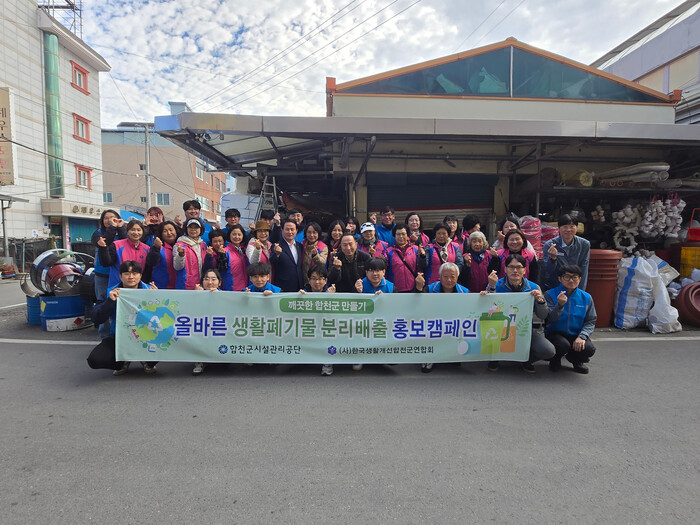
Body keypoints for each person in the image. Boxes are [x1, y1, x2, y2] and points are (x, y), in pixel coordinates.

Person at [483, 254, 555, 373]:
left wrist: (540, 301)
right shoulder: (496, 284)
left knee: (548, 350)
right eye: (511, 267)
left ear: (524, 270)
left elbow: (543, 315)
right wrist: (490, 287)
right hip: (499, 330)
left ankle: (526, 359)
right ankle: (494, 358)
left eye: (519, 267)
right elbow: (488, 309)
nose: (515, 270)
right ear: (505, 269)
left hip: (525, 330)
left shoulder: (533, 287)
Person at [87, 260, 158, 375]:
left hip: (145, 335)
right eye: (127, 273)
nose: (131, 277)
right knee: (95, 359)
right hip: (118, 336)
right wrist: (109, 302)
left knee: (167, 343)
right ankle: (121, 362)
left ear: (140, 276)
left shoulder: (150, 290)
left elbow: (161, 319)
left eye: (134, 273)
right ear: (120, 276)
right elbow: (96, 318)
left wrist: (157, 298)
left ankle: (147, 361)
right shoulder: (111, 292)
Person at [544, 264, 597, 374]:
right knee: (562, 345)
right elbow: (550, 318)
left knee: (588, 348)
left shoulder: (586, 297)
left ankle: (575, 359)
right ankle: (555, 359)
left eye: (575, 277)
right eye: (567, 277)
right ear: (560, 278)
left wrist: (582, 336)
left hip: (576, 334)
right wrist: (559, 305)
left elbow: (591, 320)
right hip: (555, 334)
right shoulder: (550, 294)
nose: (571, 280)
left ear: (580, 279)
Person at [416, 262, 466, 373]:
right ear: (440, 277)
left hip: (453, 325)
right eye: (445, 276)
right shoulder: (430, 289)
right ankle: (429, 357)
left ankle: (453, 354)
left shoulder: (465, 292)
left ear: (457, 277)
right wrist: (419, 288)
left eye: (452, 277)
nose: (449, 280)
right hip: (433, 324)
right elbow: (417, 304)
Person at [91, 209, 125, 339]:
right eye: (106, 218)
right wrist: (113, 228)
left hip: (118, 274)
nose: (109, 220)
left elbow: (125, 241)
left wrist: (120, 228)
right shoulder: (98, 234)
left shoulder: (121, 231)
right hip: (103, 275)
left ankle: (119, 336)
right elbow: (106, 242)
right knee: (103, 304)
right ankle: (104, 337)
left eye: (112, 217)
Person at [299, 265, 337, 377]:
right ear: (309, 280)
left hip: (325, 326)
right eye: (314, 278)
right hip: (308, 326)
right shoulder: (303, 292)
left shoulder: (330, 292)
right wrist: (298, 297)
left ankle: (327, 364)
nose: (317, 282)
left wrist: (331, 297)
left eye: (320, 279)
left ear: (325, 280)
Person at [543, 214, 591, 291]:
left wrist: (580, 291)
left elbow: (584, 268)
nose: (568, 230)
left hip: (575, 285)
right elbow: (548, 271)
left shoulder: (584, 244)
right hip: (555, 286)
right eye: (565, 227)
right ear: (559, 228)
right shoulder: (549, 245)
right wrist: (552, 258)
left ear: (577, 228)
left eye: (572, 226)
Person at [97, 219, 149, 289]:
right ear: (127, 231)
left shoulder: (147, 249)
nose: (136, 232)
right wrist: (103, 248)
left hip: (138, 288)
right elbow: (106, 263)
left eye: (139, 230)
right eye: (133, 230)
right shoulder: (116, 245)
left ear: (143, 232)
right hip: (117, 287)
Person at [191, 268, 223, 376]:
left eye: (213, 279)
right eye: (206, 279)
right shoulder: (196, 293)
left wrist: (219, 297)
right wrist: (197, 296)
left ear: (219, 282)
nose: (210, 282)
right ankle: (199, 362)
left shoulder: (226, 295)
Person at [386, 223, 427, 292]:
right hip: (395, 290)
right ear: (394, 236)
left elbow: (423, 266)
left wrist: (423, 256)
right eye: (398, 234)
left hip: (414, 289)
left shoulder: (416, 249)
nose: (401, 236)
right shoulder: (388, 252)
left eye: (403, 234)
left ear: (407, 235)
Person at [143, 220, 180, 289]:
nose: (169, 233)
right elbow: (151, 262)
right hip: (159, 288)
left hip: (179, 288)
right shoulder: (157, 247)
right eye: (165, 231)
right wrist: (156, 248)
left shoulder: (182, 246)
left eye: (171, 230)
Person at [173, 218, 207, 290]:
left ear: (200, 229)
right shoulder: (179, 245)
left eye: (196, 227)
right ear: (186, 229)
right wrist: (181, 255)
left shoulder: (203, 245)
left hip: (201, 286)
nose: (193, 229)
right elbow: (177, 267)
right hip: (185, 286)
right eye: (190, 227)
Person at [271, 219, 304, 292]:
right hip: (283, 287)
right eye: (287, 229)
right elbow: (272, 261)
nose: (290, 232)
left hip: (299, 286)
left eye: (292, 229)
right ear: (282, 230)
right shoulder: (276, 246)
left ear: (296, 231)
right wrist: (277, 254)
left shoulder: (300, 246)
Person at [221, 224, 249, 291]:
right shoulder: (225, 251)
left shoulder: (245, 251)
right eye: (234, 234)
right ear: (229, 235)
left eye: (239, 234)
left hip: (245, 288)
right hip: (231, 289)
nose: (236, 237)